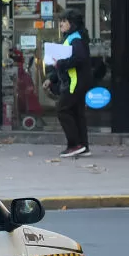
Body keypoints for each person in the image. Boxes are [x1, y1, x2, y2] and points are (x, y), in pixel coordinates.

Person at [52, 8, 94, 158]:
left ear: (72, 23)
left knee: (62, 110)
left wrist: (61, 64)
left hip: (74, 83)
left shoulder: (75, 39)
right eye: (60, 21)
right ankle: (83, 146)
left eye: (64, 21)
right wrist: (52, 78)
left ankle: (74, 145)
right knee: (77, 114)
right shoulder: (74, 37)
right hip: (76, 81)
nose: (61, 24)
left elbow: (79, 58)